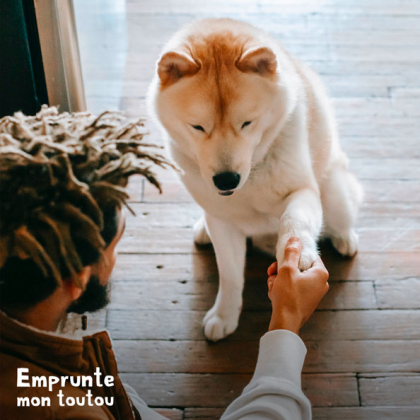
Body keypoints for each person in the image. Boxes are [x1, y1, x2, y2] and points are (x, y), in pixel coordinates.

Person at [0, 107, 329, 420]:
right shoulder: (64, 411)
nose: (115, 259)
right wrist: (287, 319)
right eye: (115, 247)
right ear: (79, 279)